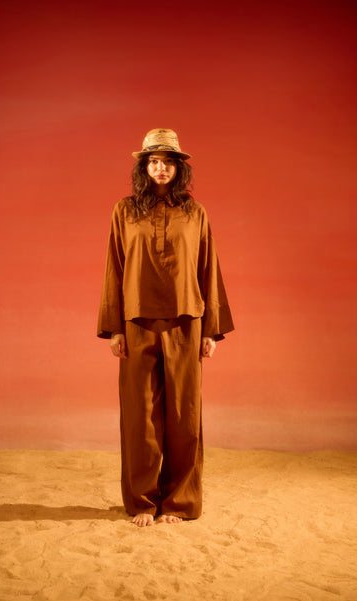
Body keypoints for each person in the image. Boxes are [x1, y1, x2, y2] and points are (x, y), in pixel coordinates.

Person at [97, 128, 234, 527]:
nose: (160, 168)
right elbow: (114, 266)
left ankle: (179, 502)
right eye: (153, 161)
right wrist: (114, 327)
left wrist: (210, 330)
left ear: (178, 168)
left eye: (168, 162)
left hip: (186, 321)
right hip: (136, 320)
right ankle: (142, 502)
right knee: (139, 416)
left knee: (183, 415)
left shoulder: (195, 213)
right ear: (144, 167)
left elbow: (208, 267)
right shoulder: (124, 211)